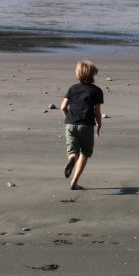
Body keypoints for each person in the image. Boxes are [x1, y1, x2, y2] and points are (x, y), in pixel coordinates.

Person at [61, 60, 104, 190]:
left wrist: (69, 118)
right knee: (85, 153)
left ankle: (72, 158)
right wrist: (99, 125)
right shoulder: (96, 91)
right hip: (86, 125)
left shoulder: (72, 88)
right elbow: (97, 112)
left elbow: (63, 107)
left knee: (73, 150)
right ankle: (74, 182)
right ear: (93, 74)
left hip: (70, 124)